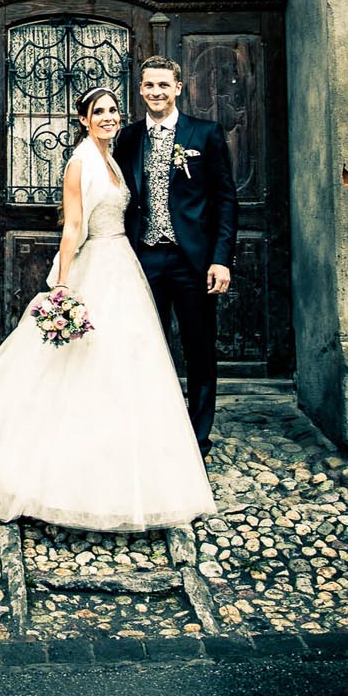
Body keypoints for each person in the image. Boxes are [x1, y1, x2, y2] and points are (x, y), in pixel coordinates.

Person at [0, 87, 215, 532]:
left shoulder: (113, 157)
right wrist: (63, 286)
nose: (107, 117)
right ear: (83, 120)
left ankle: (132, 462)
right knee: (84, 365)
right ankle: (59, 475)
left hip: (124, 262)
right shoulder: (81, 162)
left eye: (112, 110)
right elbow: (74, 227)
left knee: (130, 365)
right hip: (97, 265)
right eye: (98, 112)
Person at [112, 56, 237, 457]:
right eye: (149, 86)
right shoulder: (129, 138)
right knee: (146, 346)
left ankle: (198, 437)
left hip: (193, 262)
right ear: (141, 89)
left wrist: (221, 258)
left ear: (178, 88)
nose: (156, 93)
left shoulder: (205, 134)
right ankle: (154, 428)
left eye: (164, 85)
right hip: (144, 258)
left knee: (200, 349)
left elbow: (225, 201)